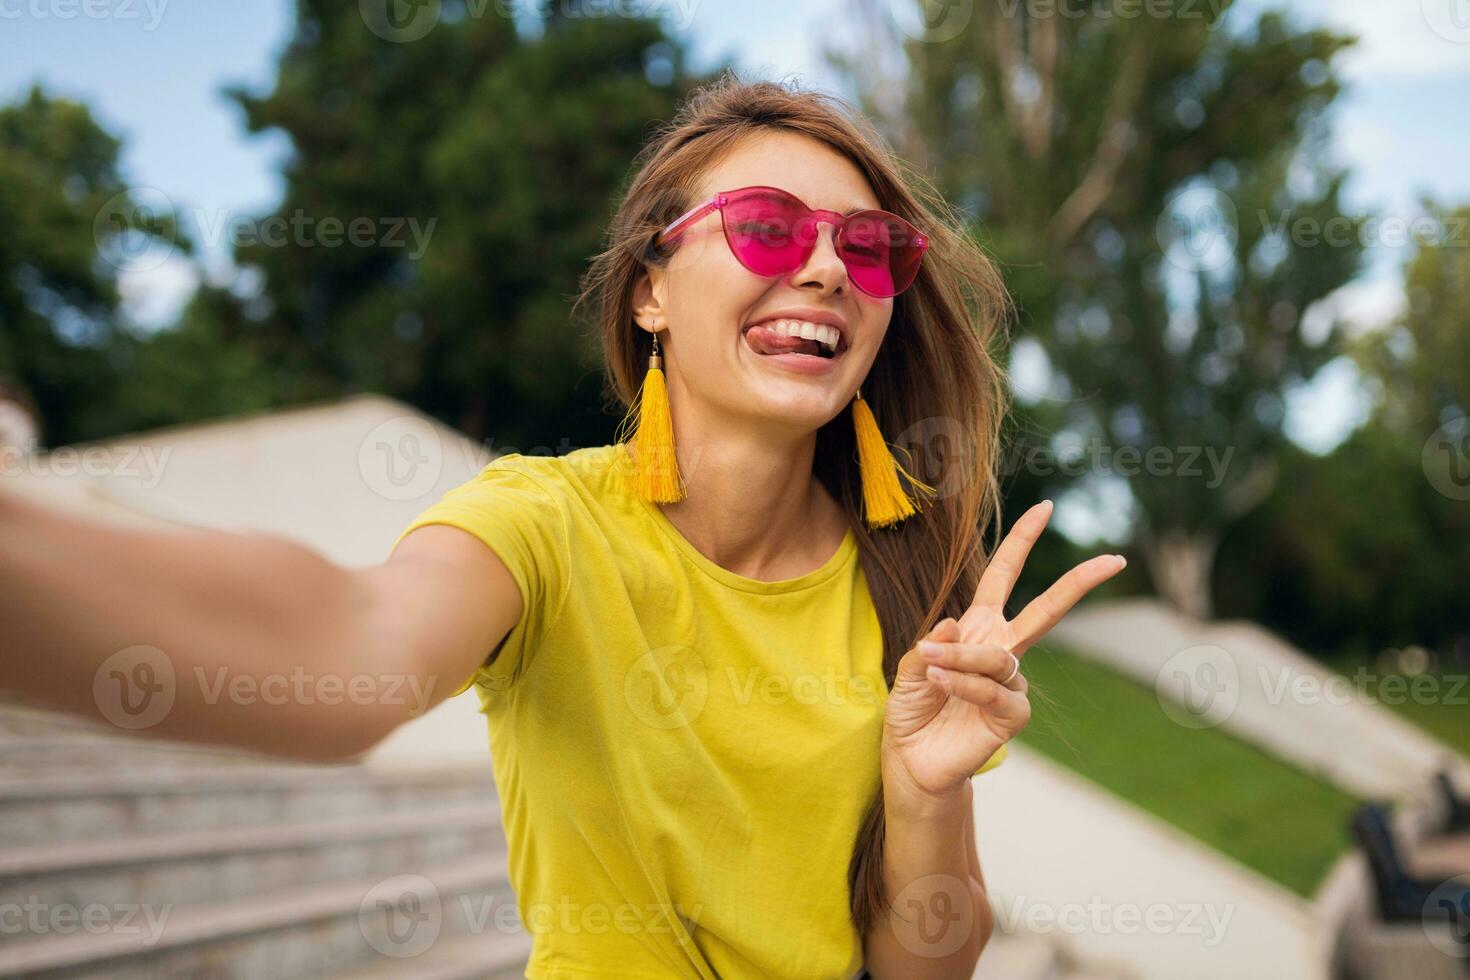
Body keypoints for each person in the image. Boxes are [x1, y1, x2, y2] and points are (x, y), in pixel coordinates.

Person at [0, 72, 1125, 978]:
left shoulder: (904, 579)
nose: (831, 267)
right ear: (649, 289)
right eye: (769, 229)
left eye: (872, 247)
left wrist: (928, 795)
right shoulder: (542, 523)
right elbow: (342, 641)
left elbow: (927, 966)